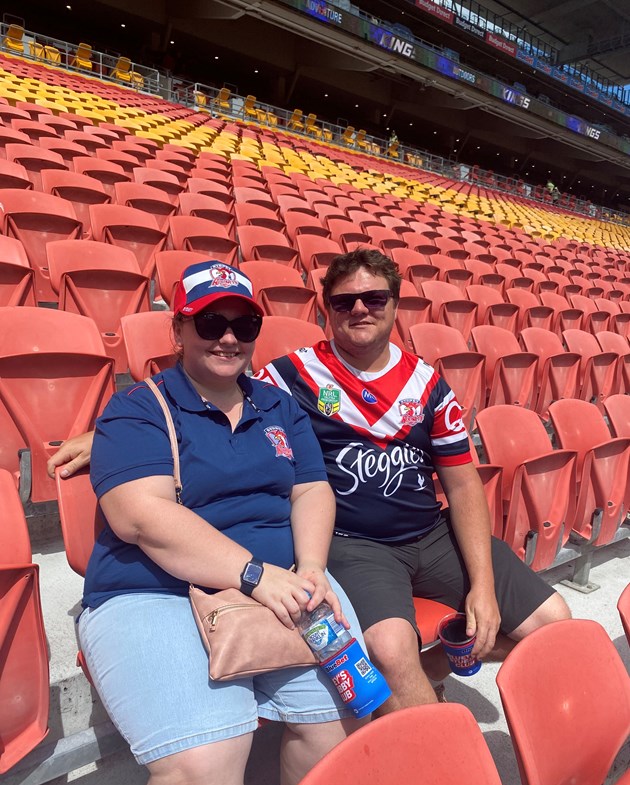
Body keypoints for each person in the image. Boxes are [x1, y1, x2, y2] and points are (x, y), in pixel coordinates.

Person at [49, 249, 571, 716]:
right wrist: (108, 435)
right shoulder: (289, 376)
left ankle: (436, 667)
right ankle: (435, 761)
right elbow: (202, 393)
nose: (360, 310)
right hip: (353, 544)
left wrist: (482, 585)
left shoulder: (429, 384)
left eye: (373, 298)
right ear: (326, 310)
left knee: (555, 622)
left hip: (431, 535)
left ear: (395, 304)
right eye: (345, 303)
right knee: (390, 651)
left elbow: (462, 487)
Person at [68, 260, 365, 785]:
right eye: (209, 322)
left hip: (282, 579)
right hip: (154, 590)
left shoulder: (279, 406)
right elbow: (141, 518)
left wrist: (309, 569)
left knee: (342, 716)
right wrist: (257, 575)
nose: (228, 337)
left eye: (243, 323)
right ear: (177, 330)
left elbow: (311, 488)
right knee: (204, 760)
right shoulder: (138, 409)